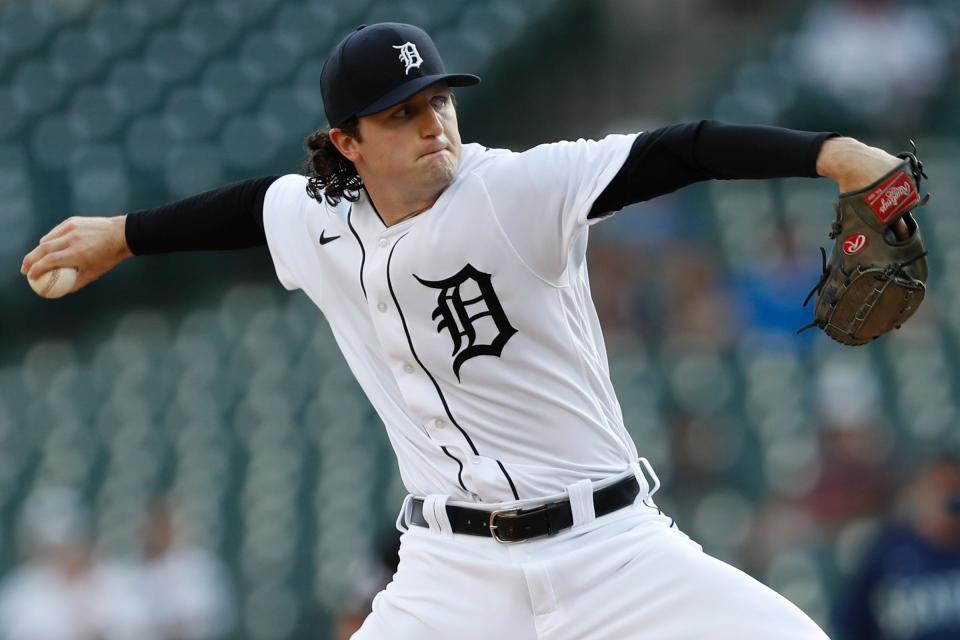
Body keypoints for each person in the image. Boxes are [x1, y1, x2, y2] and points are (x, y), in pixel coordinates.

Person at [21, 21, 917, 639]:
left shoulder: (513, 191)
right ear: (346, 142)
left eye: (438, 100)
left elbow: (679, 149)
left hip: (610, 548)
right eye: (401, 112)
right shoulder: (316, 219)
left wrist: (833, 154)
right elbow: (249, 208)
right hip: (452, 573)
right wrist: (122, 236)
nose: (432, 124)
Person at [833, 454, 960, 640]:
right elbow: (850, 621)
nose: (946, 499)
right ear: (920, 493)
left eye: (953, 489)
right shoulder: (888, 550)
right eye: (938, 489)